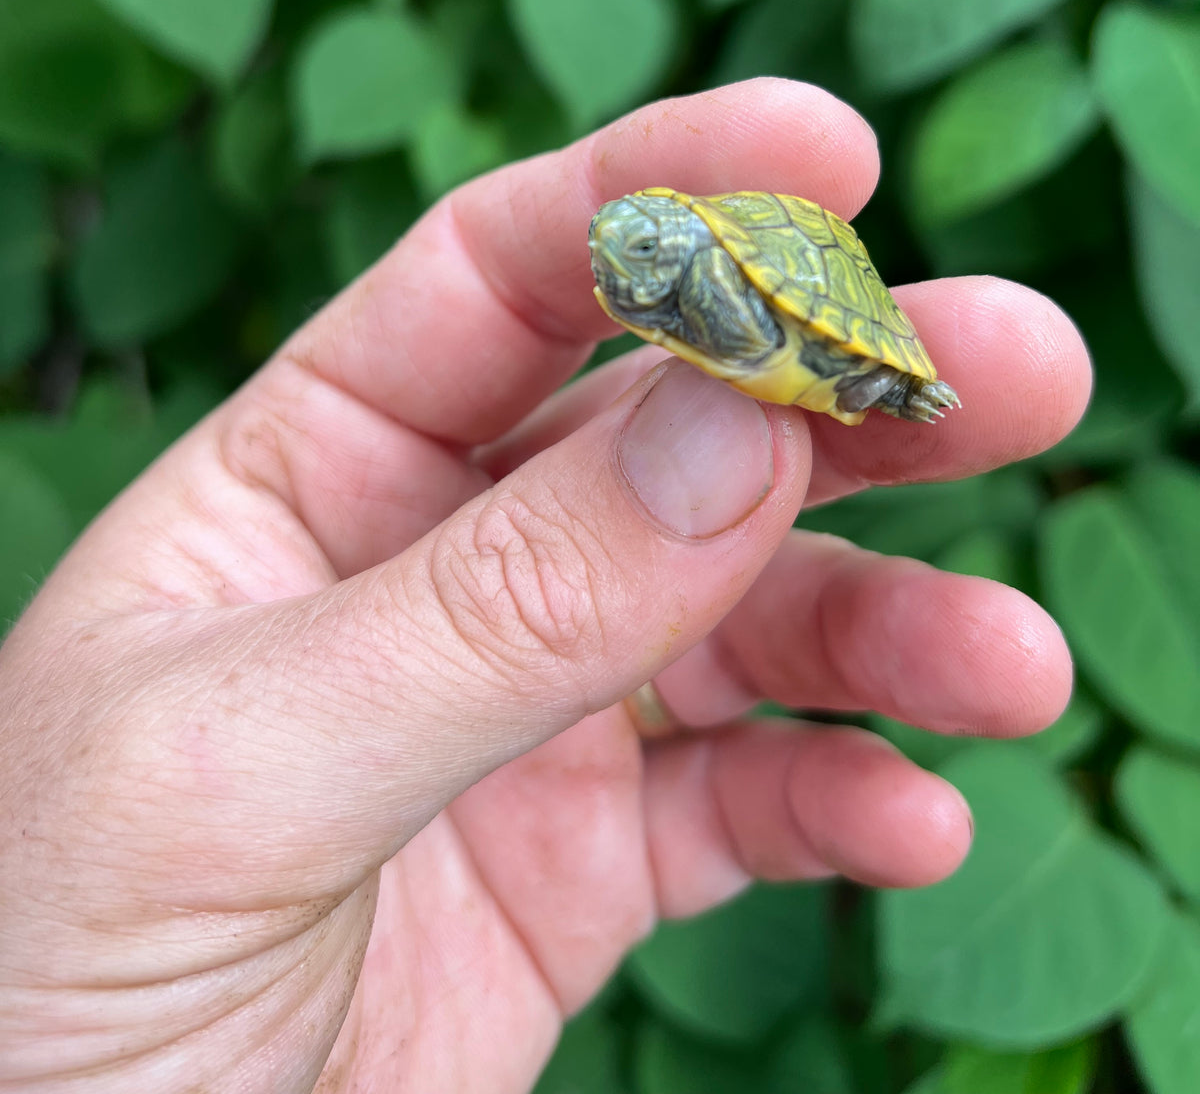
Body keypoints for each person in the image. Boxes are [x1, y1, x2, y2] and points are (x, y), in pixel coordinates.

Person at [0, 80, 1086, 1093]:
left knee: (860, 381)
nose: (628, 253)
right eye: (624, 244)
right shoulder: (644, 282)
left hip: (797, 326)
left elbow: (728, 302)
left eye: (651, 241)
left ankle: (885, 369)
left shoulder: (723, 261)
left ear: (688, 239)